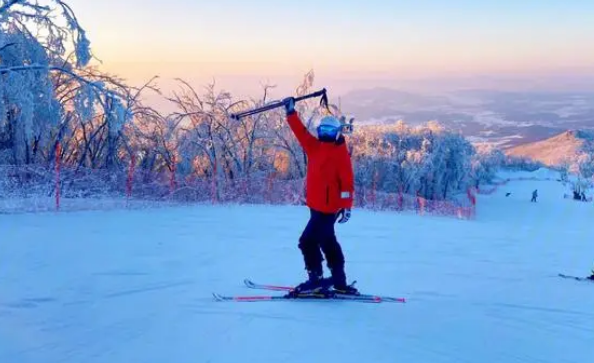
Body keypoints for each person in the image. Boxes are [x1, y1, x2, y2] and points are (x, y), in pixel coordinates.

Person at [282, 97, 358, 295]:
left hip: (328, 208)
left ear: (336, 133)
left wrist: (346, 205)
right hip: (315, 206)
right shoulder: (313, 147)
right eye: (322, 130)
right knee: (327, 241)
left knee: (307, 241)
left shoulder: (340, 154)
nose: (325, 134)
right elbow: (300, 132)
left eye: (330, 131)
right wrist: (291, 113)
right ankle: (339, 280)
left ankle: (315, 279)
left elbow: (347, 183)